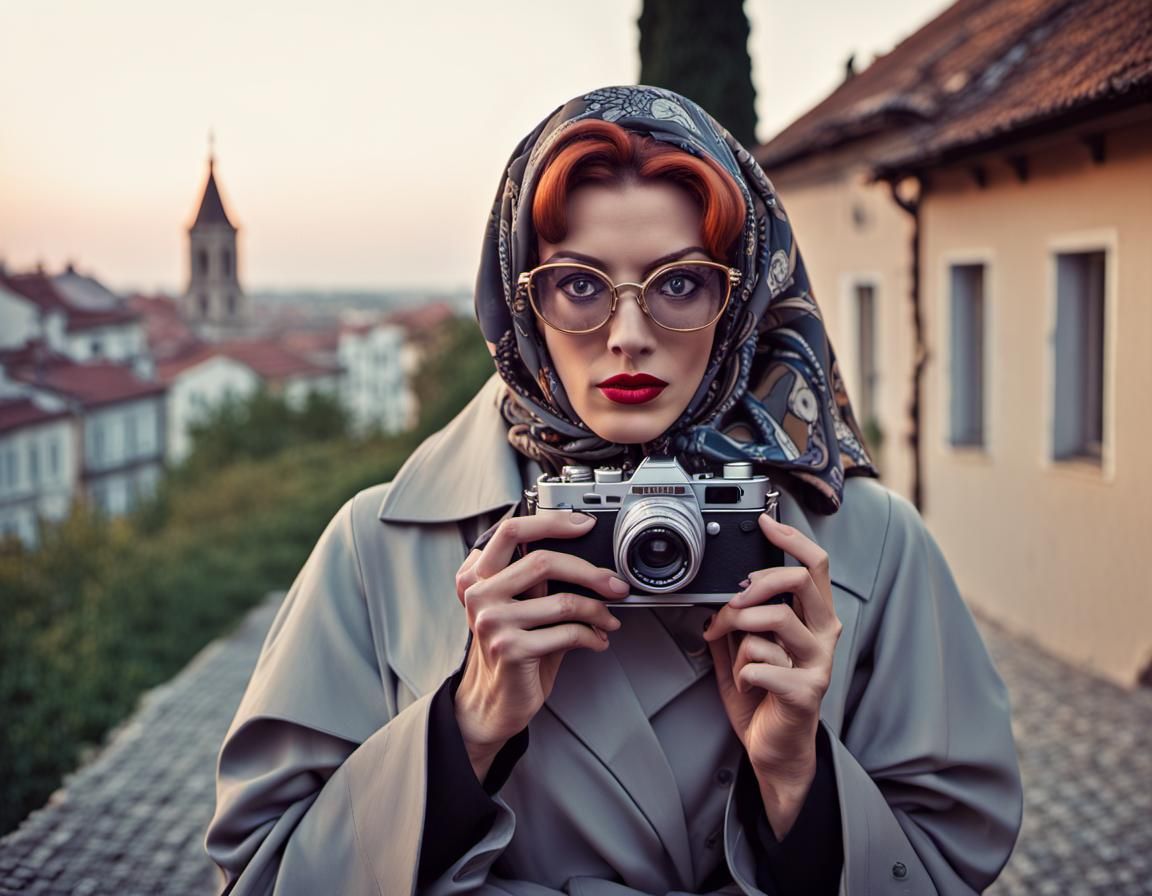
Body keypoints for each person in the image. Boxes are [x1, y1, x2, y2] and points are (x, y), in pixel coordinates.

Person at [205, 86, 1022, 896]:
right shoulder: (377, 548)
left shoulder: (872, 544)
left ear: (740, 294)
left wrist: (796, 781)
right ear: (521, 300)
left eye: (680, 284)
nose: (629, 337)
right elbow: (264, 875)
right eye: (580, 285)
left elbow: (947, 862)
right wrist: (466, 732)